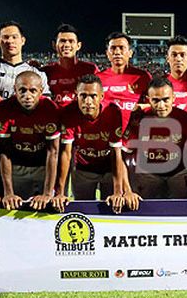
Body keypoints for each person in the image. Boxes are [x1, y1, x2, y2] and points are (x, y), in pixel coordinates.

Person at [52, 74, 129, 213]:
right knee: (82, 211)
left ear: (101, 97)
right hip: (83, 170)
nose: (88, 101)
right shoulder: (69, 113)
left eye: (93, 96)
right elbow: (66, 153)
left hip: (108, 169)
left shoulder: (113, 112)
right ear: (77, 96)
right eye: (83, 96)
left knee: (112, 209)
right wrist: (60, 192)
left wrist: (119, 191)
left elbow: (116, 153)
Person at [0, 71, 60, 211]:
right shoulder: (4, 109)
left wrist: (48, 193)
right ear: (15, 90)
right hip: (17, 168)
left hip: (44, 168)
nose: (27, 96)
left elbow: (53, 153)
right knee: (17, 211)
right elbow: (4, 152)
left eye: (33, 91)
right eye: (22, 90)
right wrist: (8, 192)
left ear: (41, 91)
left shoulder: (50, 109)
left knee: (46, 212)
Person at [122, 76, 187, 199]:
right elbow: (121, 156)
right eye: (155, 100)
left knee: (186, 210)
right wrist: (127, 190)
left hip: (179, 174)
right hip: (148, 175)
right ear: (148, 100)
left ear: (173, 98)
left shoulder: (185, 119)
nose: (161, 105)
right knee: (142, 211)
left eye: (166, 100)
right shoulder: (138, 120)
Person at [0, 21, 49, 106]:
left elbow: (45, 101)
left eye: (14, 37)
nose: (10, 41)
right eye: (6, 37)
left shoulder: (37, 72)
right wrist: (6, 112)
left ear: (22, 40)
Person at [97, 32, 152, 130]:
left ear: (130, 53)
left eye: (121, 48)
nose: (117, 52)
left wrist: (137, 108)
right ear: (107, 54)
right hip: (105, 135)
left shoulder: (143, 77)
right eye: (113, 48)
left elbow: (153, 104)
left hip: (133, 137)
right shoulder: (98, 78)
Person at [42, 24, 99, 107]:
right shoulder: (45, 72)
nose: (67, 45)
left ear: (78, 46)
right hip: (54, 119)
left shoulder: (90, 69)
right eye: (62, 41)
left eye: (71, 41)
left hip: (80, 119)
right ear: (54, 45)